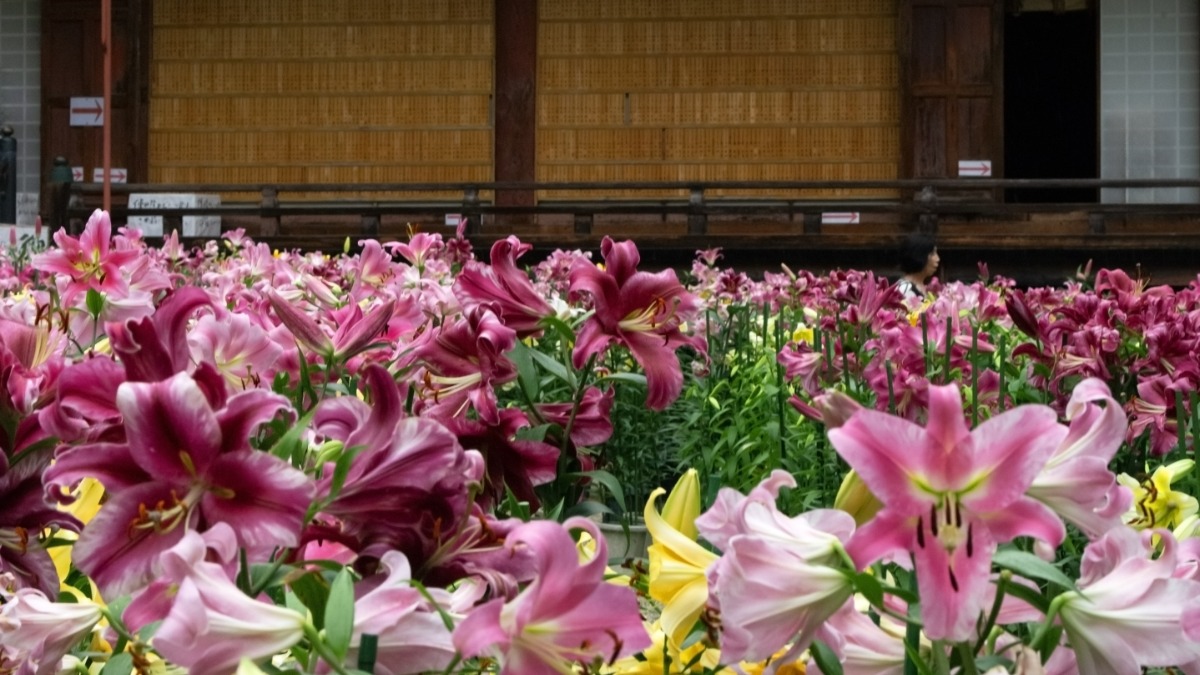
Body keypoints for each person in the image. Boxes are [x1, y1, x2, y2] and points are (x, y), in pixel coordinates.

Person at [895, 233, 939, 300]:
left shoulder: (927, 289)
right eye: (932, 254)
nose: (938, 259)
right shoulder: (904, 288)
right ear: (919, 256)